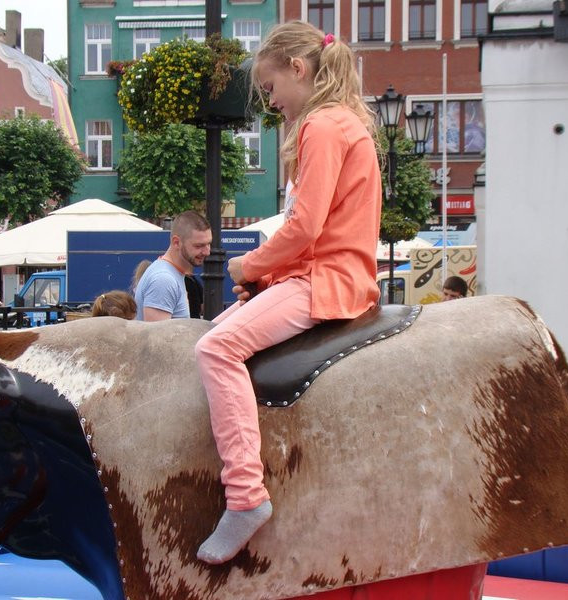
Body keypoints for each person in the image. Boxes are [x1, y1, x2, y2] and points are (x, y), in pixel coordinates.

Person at [193, 22, 381, 564]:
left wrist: (247, 265)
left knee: (215, 347)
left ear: (298, 69)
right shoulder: (346, 123)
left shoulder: (319, 125)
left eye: (272, 89)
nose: (272, 103)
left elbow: (304, 229)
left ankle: (246, 497)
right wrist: (262, 280)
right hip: (333, 273)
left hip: (325, 279)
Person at [134, 211, 211, 321]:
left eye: (209, 244)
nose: (207, 252)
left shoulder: (169, 274)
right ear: (176, 242)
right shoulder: (164, 280)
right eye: (199, 245)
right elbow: (157, 337)